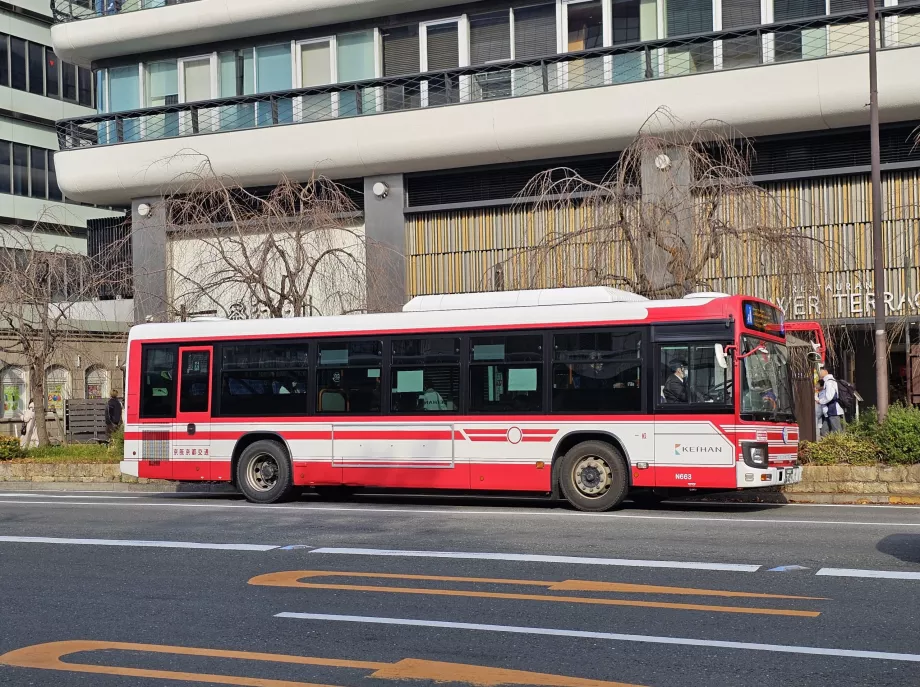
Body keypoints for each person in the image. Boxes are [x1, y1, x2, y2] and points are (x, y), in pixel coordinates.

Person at [816, 367, 844, 434]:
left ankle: (841, 444)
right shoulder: (827, 381)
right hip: (829, 411)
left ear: (826, 371)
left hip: (833, 410)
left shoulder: (829, 382)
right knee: (824, 432)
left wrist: (820, 401)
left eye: (821, 370)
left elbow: (829, 397)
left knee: (837, 431)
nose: (819, 372)